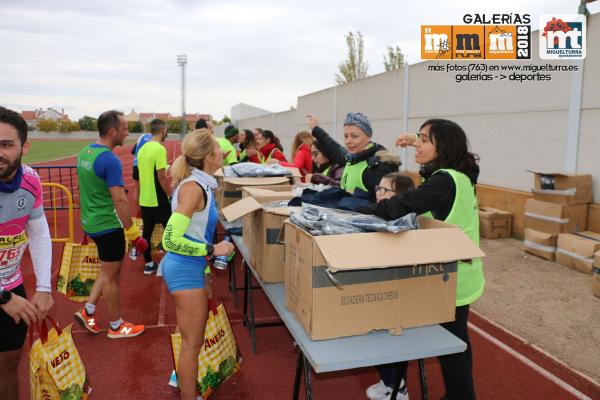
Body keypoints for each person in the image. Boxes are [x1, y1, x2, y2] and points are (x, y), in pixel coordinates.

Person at [361, 119, 483, 400]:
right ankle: (460, 395)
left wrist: (359, 212)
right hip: (457, 275)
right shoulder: (459, 175)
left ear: (444, 148)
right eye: (419, 137)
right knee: (455, 344)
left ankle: (458, 396)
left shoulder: (445, 180)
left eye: (425, 140)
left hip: (451, 279)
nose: (417, 143)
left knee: (450, 347)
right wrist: (415, 137)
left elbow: (402, 204)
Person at [160, 129, 235, 400]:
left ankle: (181, 377)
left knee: (188, 337)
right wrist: (213, 249)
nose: (222, 151)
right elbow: (170, 239)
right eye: (217, 147)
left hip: (191, 267)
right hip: (183, 267)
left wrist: (205, 270)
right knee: (193, 343)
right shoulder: (193, 188)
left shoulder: (200, 184)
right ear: (208, 156)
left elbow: (196, 231)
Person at [74, 110, 149, 339]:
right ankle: (116, 326)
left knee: (106, 270)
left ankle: (88, 311)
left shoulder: (85, 152)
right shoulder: (109, 159)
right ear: (113, 131)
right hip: (107, 225)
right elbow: (119, 199)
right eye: (125, 128)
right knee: (112, 276)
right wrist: (135, 234)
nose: (128, 133)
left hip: (91, 222)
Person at [0, 107, 53, 400]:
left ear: (24, 147)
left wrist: (44, 288)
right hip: (6, 295)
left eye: (6, 145)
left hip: (11, 286)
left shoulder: (31, 181)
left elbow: (40, 233)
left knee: (8, 365)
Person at [307, 113, 400, 200]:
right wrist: (315, 128)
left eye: (354, 136)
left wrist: (354, 193)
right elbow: (333, 147)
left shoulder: (377, 166)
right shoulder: (352, 158)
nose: (348, 141)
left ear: (368, 136)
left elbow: (383, 202)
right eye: (346, 136)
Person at [137, 118, 172, 274]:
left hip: (145, 198)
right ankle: (172, 264)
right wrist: (170, 193)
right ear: (163, 129)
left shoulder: (143, 148)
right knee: (171, 230)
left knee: (147, 233)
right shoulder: (159, 149)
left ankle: (148, 264)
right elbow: (161, 176)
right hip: (159, 198)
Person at [130, 130, 152, 204]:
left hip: (136, 165)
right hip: (145, 166)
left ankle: (138, 212)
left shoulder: (142, 136)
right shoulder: (154, 138)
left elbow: (133, 151)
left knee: (137, 190)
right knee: (147, 189)